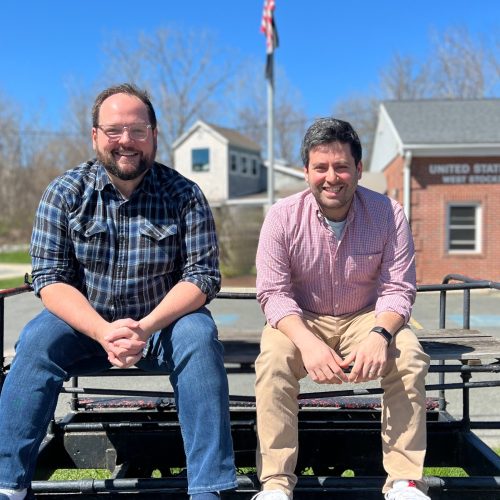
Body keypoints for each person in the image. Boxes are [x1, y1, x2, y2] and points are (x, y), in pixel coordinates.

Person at [0, 83, 237, 500]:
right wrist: (102, 331)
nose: (126, 140)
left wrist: (144, 328)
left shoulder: (184, 195)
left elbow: (202, 276)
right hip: (84, 325)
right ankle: (8, 484)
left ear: (154, 135)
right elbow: (50, 278)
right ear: (95, 136)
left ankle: (208, 488)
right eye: (113, 130)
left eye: (137, 130)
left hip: (163, 325)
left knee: (199, 337)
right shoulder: (65, 192)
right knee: (37, 339)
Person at [252, 118, 431, 500]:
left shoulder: (388, 213)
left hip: (367, 316)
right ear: (306, 171)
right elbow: (273, 293)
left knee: (409, 356)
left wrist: (380, 335)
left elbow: (398, 288)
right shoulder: (281, 217)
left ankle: (404, 481)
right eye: (321, 167)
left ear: (358, 169)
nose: (331, 177)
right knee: (273, 360)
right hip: (301, 317)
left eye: (341, 166)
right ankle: (276, 484)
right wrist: (309, 344)